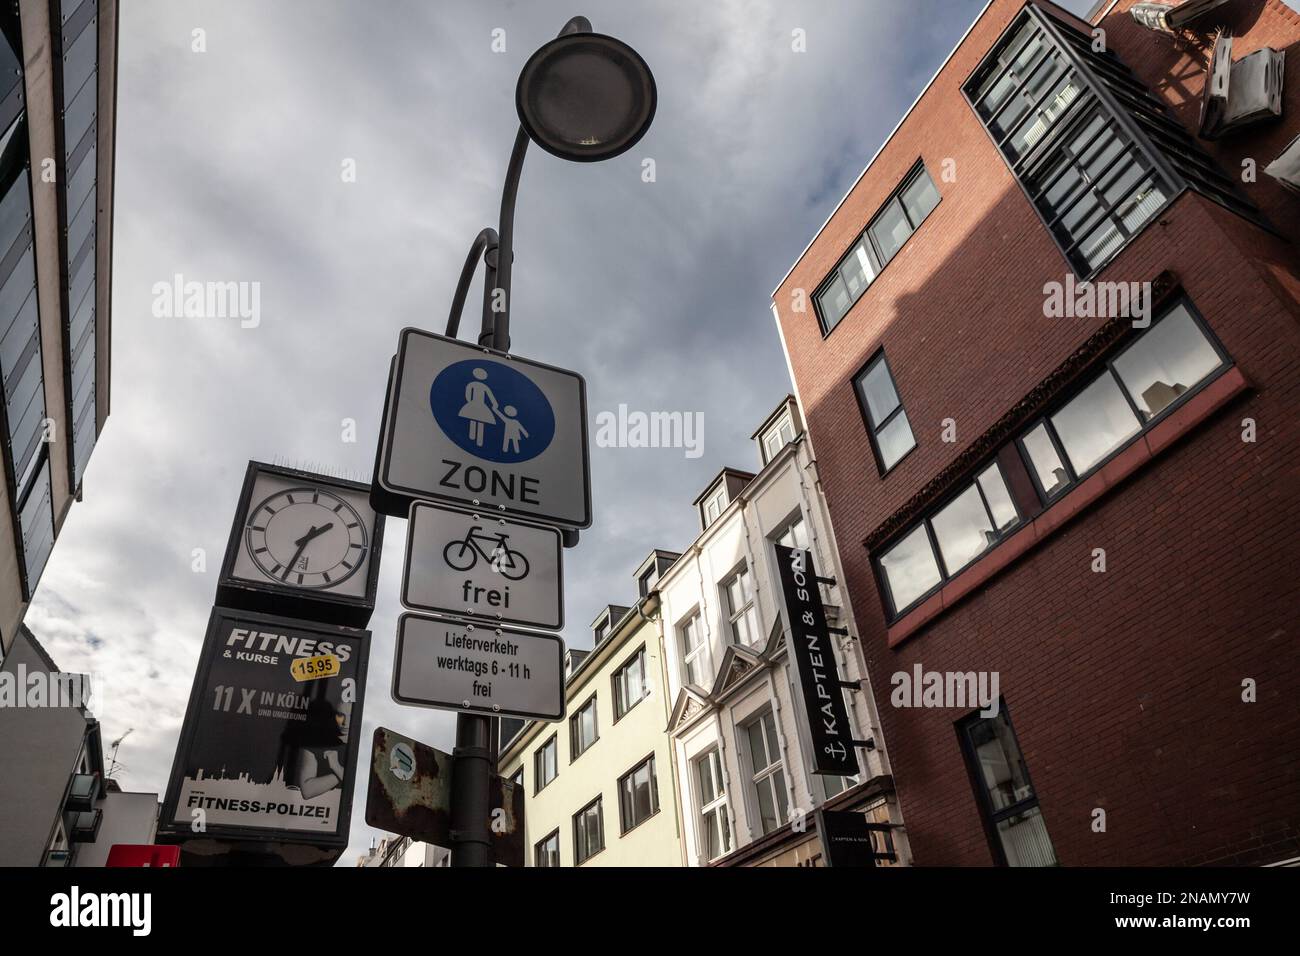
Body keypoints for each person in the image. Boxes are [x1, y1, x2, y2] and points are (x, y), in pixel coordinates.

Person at [458, 367, 500, 447]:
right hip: (475, 404)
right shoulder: (472, 384)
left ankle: (479, 441)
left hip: (480, 405)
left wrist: (494, 403)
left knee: (481, 420)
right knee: (474, 419)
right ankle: (472, 437)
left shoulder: (482, 386)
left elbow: (490, 396)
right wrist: (470, 401)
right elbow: (468, 393)